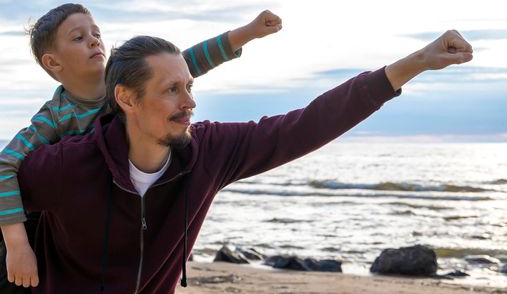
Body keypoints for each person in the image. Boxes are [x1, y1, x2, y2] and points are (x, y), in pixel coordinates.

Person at [14, 28, 472, 293]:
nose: (189, 102)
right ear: (126, 99)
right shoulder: (66, 165)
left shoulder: (207, 152)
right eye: (171, 90)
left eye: (189, 86)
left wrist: (414, 63)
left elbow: (305, 125)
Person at [0, 3, 283, 292]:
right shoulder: (55, 116)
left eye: (95, 32)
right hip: (53, 226)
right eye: (78, 37)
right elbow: (4, 165)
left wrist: (248, 33)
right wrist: (17, 245)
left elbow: (190, 61)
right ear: (53, 62)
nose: (94, 40)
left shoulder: (127, 85)